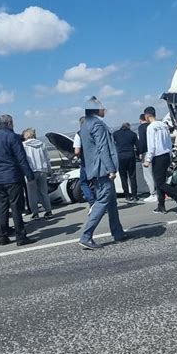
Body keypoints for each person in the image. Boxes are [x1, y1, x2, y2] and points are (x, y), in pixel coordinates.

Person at [79, 96, 128, 250]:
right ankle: (86, 236)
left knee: (112, 201)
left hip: (93, 168)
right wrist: (111, 169)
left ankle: (118, 232)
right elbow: (102, 148)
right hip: (102, 169)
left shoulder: (85, 125)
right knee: (102, 201)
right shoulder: (97, 125)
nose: (104, 109)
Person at [0, 114, 35, 246]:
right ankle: (21, 236)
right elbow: (21, 158)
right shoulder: (13, 136)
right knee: (16, 207)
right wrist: (29, 175)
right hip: (12, 176)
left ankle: (2, 237)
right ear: (10, 123)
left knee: (2, 207)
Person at [143, 106, 177, 215]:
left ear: (147, 115)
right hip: (166, 155)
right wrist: (170, 154)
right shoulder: (163, 125)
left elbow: (151, 146)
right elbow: (169, 142)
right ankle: (161, 205)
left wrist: (148, 159)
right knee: (161, 181)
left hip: (157, 156)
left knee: (160, 182)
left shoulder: (151, 127)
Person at [22, 128, 53, 220]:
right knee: (44, 192)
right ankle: (48, 211)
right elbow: (47, 158)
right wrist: (49, 169)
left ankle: (35, 213)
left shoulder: (24, 146)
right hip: (42, 170)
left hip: (31, 171)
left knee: (32, 194)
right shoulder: (41, 144)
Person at [113, 122, 139, 201]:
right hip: (130, 155)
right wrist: (138, 155)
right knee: (132, 176)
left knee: (123, 177)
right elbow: (138, 146)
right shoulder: (133, 134)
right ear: (129, 127)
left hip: (120, 156)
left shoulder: (115, 134)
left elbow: (112, 144)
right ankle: (134, 195)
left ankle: (127, 195)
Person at [73, 117, 96, 207]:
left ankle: (91, 201)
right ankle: (100, 201)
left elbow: (77, 151)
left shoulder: (79, 134)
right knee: (97, 182)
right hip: (97, 161)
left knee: (84, 183)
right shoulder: (95, 132)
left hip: (86, 162)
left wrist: (77, 156)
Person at [138, 113, 156, 202]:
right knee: (155, 173)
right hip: (156, 152)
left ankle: (153, 193)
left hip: (146, 152)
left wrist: (140, 152)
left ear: (140, 120)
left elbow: (142, 141)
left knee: (148, 174)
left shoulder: (141, 128)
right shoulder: (151, 125)